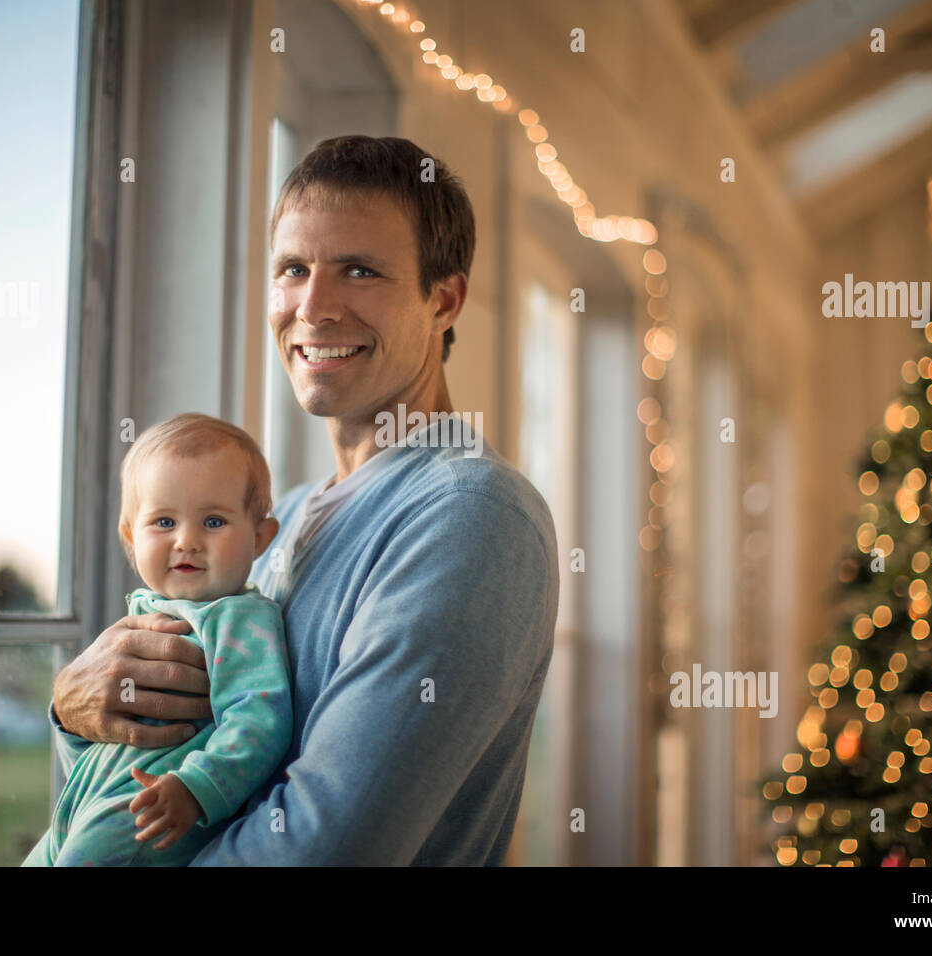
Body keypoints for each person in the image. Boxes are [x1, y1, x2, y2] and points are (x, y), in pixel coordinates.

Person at [48, 136, 558, 865]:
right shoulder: (275, 520)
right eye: (293, 269)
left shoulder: (471, 517)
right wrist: (73, 711)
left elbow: (324, 847)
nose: (312, 308)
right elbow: (136, 792)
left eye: (359, 270)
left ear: (443, 299)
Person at [24, 413, 290, 866]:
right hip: (88, 797)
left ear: (260, 538)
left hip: (157, 808)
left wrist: (196, 787)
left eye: (213, 522)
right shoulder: (145, 611)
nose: (186, 541)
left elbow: (260, 718)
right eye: (164, 522)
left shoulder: (241, 618)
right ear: (130, 536)